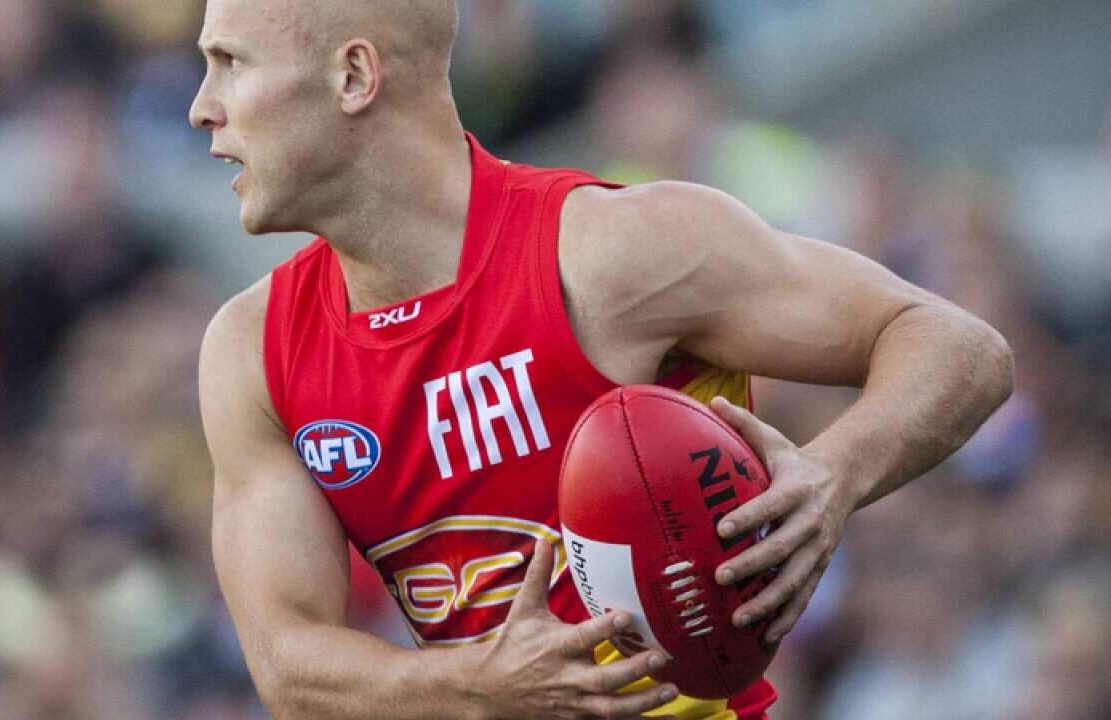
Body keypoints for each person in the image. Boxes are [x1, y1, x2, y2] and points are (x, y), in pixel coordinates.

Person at [188, 1, 1014, 718]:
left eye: (229, 63)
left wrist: (830, 479)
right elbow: (289, 668)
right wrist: (484, 683)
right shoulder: (252, 354)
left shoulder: (612, 254)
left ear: (354, 76)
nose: (200, 109)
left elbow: (958, 347)